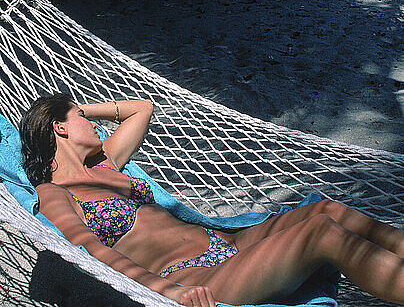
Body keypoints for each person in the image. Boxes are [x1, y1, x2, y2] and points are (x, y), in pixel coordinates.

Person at [19, 93, 404, 307]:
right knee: (321, 232)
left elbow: (142, 108)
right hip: (193, 276)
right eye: (82, 118)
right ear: (60, 128)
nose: (96, 125)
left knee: (328, 210)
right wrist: (170, 292)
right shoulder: (54, 193)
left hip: (231, 245)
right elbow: (92, 252)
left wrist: (75, 109)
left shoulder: (107, 163)